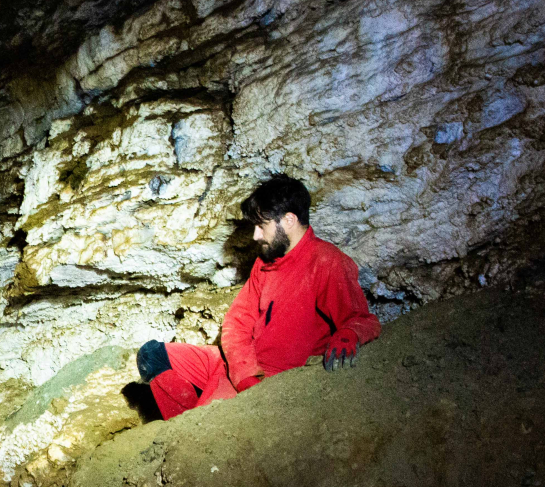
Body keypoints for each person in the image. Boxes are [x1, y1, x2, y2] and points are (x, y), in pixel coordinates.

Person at [137, 174, 381, 420]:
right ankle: (184, 419)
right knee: (151, 355)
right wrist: (243, 372)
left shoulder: (327, 262)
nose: (255, 235)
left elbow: (361, 318)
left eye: (261, 226)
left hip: (270, 377)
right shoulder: (266, 262)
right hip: (239, 367)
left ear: (288, 220)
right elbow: (236, 322)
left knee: (204, 423)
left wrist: (350, 334)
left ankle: (191, 425)